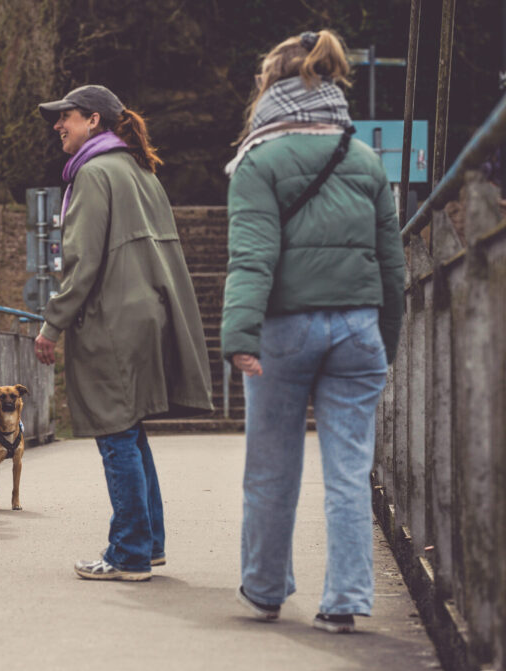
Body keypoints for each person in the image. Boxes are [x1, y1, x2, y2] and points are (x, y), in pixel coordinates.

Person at [222, 30, 405, 634]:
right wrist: (389, 341)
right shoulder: (364, 157)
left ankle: (266, 589)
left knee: (272, 468)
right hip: (358, 330)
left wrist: (239, 336)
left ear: (270, 88)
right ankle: (346, 600)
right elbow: (392, 263)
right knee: (350, 471)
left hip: (284, 330)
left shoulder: (258, 160)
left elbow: (253, 258)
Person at [34, 85, 212, 581]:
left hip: (112, 318)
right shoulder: (140, 170)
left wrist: (53, 324)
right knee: (130, 432)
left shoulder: (94, 174)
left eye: (64, 117)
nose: (57, 126)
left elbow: (81, 261)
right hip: (147, 313)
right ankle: (148, 543)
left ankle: (128, 553)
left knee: (115, 435)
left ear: (93, 120)